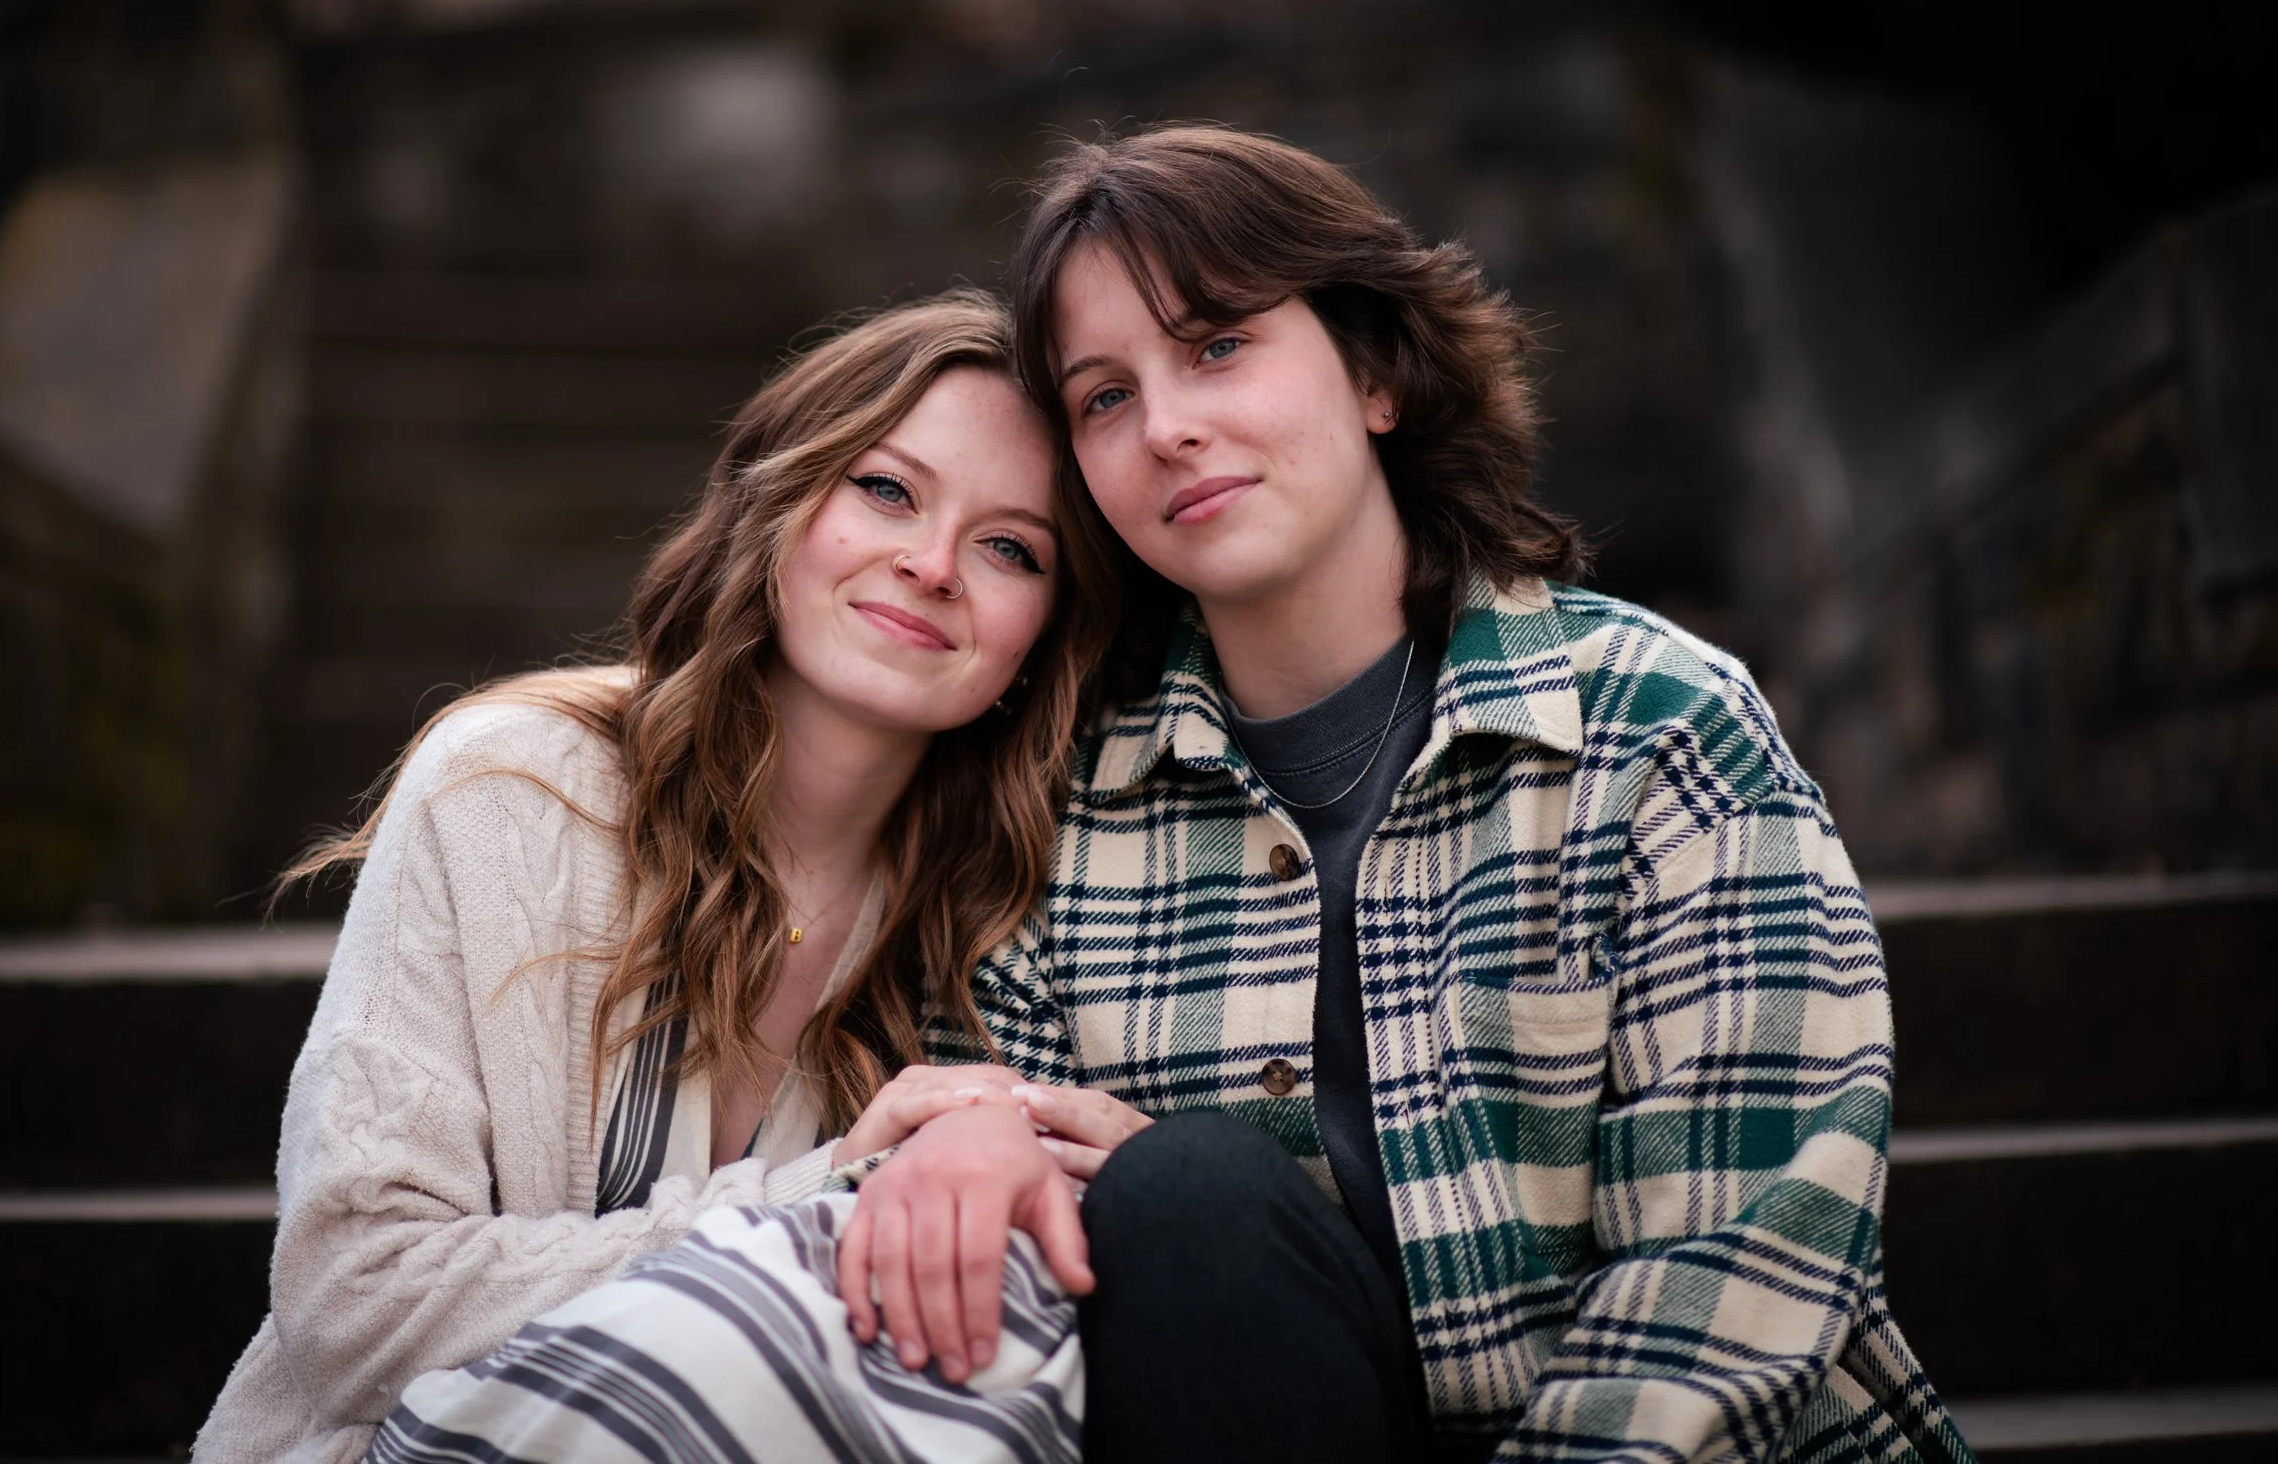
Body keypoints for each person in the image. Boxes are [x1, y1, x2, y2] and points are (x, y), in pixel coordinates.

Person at [374, 124, 1975, 1464]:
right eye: (1103, 396)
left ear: (1373, 373)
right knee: (1193, 1194)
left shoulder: (1657, 726)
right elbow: (1042, 1196)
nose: (1169, 425)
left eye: (1217, 345)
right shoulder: (1065, 800)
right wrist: (974, 1133)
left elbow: (1748, 1253)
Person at [193, 289, 1110, 1464]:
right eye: (886, 488)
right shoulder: (511, 789)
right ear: (776, 505)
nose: (931, 564)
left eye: (1009, 546)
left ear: (1043, 638)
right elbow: (352, 1302)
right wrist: (818, 1191)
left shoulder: (998, 913)